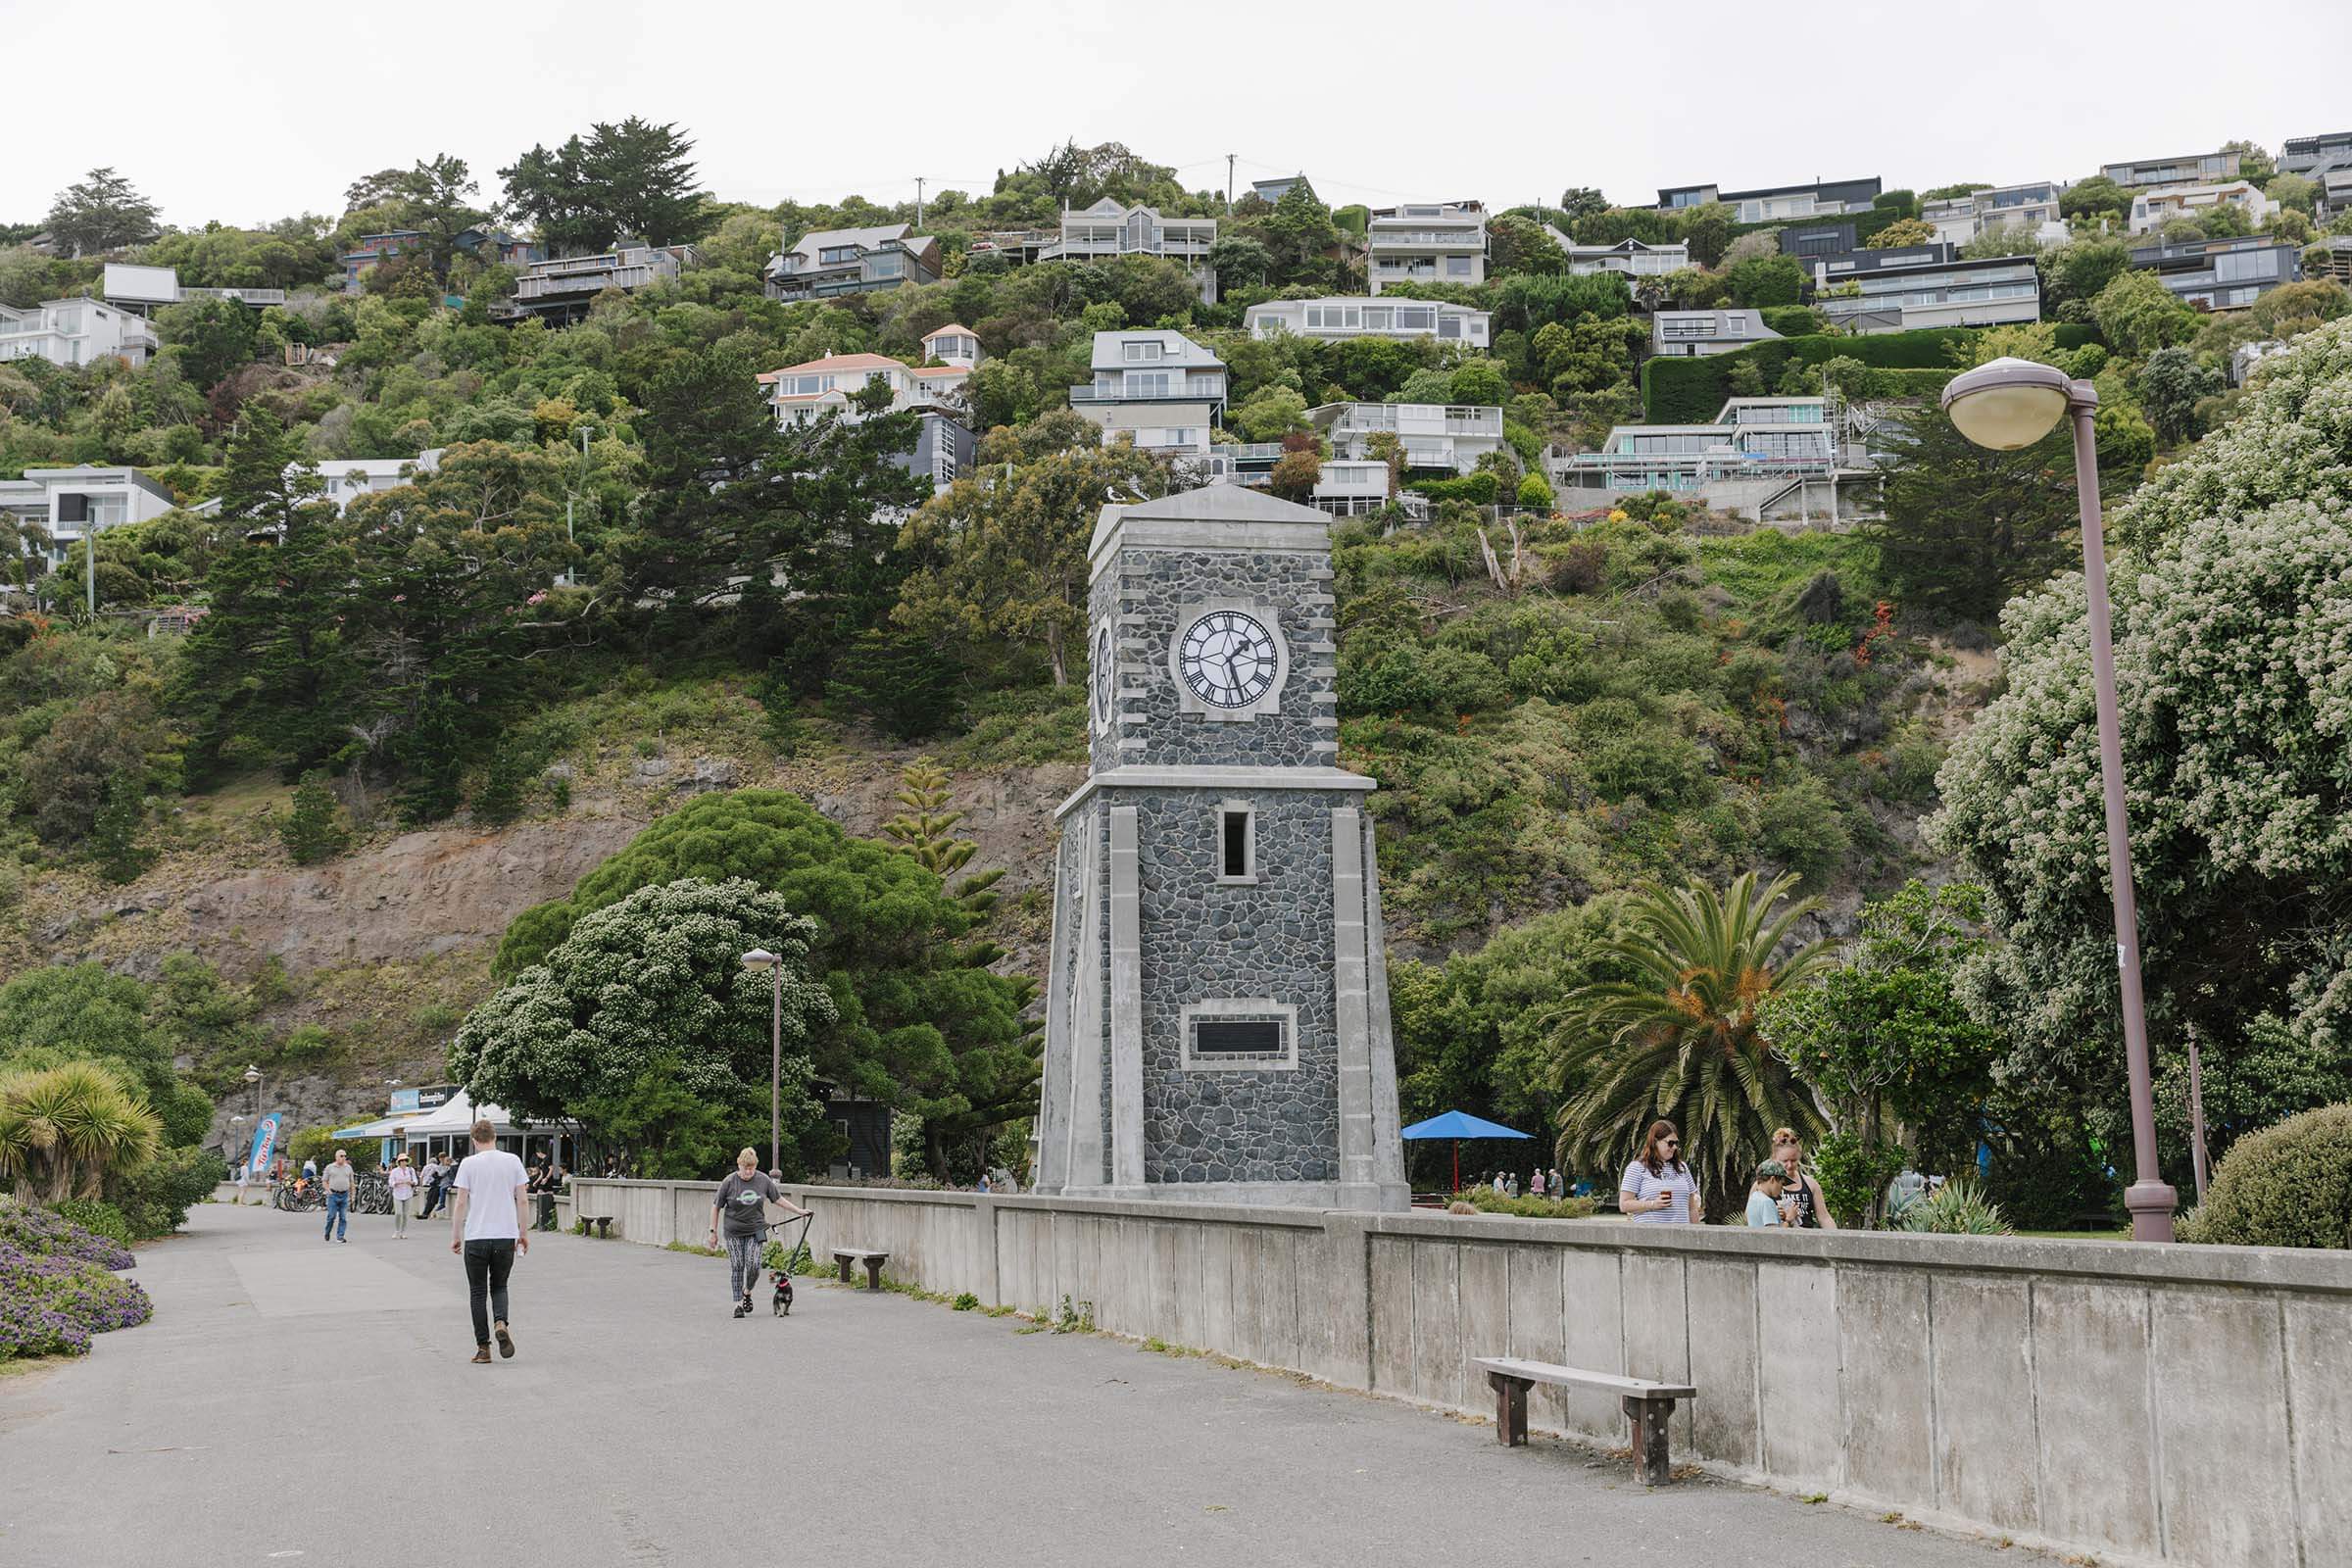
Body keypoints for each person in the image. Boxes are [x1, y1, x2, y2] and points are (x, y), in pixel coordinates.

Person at [449, 1119, 530, 1364]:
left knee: (477, 1293)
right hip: (505, 1235)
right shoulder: (513, 1161)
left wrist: (456, 1235)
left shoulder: (468, 1164)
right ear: (496, 1137)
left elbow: (461, 1202)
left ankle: (483, 1348)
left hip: (476, 1236)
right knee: (500, 1286)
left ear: (474, 1141)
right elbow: (523, 1200)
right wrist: (523, 1233)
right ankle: (500, 1321)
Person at [710, 1148, 808, 1318]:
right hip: (733, 1231)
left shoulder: (763, 1180)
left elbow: (777, 1199)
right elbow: (716, 1206)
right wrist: (712, 1232)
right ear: (739, 1165)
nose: (748, 1172)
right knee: (738, 1266)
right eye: (745, 1168)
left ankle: (747, 1291)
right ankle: (738, 1305)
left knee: (754, 1265)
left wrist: (798, 1211)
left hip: (756, 1229)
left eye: (751, 1168)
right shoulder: (729, 1182)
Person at [1619, 1121, 1698, 1225]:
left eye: (1676, 1143)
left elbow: (1692, 1208)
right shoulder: (1637, 1168)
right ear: (1655, 1141)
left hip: (1681, 1237)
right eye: (1670, 1143)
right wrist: (1653, 1204)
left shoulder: (1682, 1167)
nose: (1674, 1147)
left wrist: (1697, 1234)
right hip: (1650, 1237)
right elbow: (1624, 1205)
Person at [1769, 1128, 1837, 1230]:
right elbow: (1751, 1213)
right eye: (1785, 1161)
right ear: (1774, 1158)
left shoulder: (1811, 1184)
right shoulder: (1764, 1183)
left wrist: (1835, 1236)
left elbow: (1824, 1217)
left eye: (1793, 1160)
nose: (1789, 1165)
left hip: (1806, 1239)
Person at [320, 1150, 356, 1243]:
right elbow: (324, 1181)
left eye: (344, 1156)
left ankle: (340, 1236)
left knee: (343, 1217)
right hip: (333, 1194)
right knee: (331, 1217)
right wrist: (328, 1190)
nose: (343, 1158)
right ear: (336, 1157)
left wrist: (353, 1195)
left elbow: (352, 1182)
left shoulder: (348, 1168)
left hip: (344, 1194)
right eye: (341, 1156)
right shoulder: (330, 1167)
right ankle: (327, 1231)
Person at [1746, 1160, 1789, 1227]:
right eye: (1782, 1183)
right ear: (1772, 1179)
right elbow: (1774, 1235)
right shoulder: (1767, 1202)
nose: (1782, 1188)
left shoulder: (1753, 1198)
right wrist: (1788, 1219)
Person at [387, 1153, 417, 1239]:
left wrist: (412, 1182)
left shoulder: (411, 1170)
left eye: (405, 1161)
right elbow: (390, 1181)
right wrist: (395, 1183)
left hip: (408, 1193)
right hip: (398, 1194)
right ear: (399, 1162)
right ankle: (397, 1230)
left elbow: (415, 1180)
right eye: (402, 1161)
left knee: (405, 1214)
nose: (404, 1162)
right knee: (398, 1213)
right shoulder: (394, 1171)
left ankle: (403, 1232)